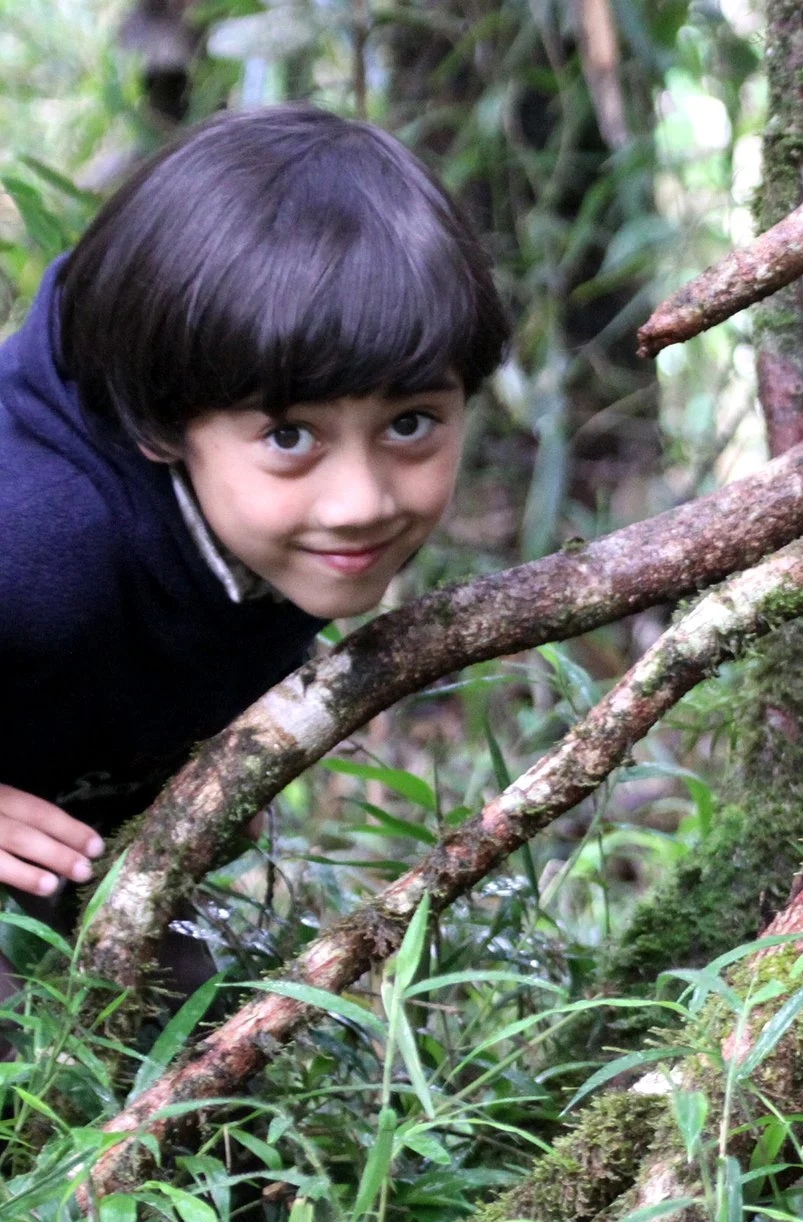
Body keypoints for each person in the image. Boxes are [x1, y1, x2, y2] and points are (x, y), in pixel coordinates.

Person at [0, 105, 510, 928]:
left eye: (409, 423)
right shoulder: (38, 544)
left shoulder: (259, 528)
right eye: (289, 435)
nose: (363, 504)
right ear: (159, 422)